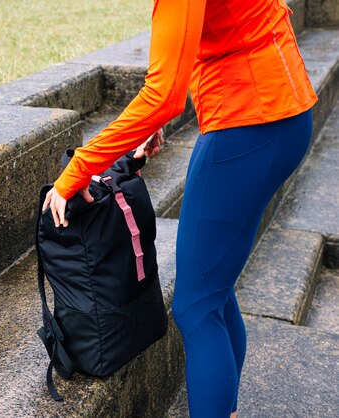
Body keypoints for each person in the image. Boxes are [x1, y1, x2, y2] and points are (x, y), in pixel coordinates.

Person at [41, 0, 318, 416]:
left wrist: (78, 170)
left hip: (247, 123)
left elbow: (163, 94)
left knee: (195, 305)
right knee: (213, 289)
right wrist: (152, 120)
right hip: (281, 112)